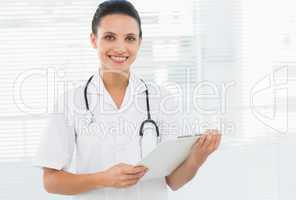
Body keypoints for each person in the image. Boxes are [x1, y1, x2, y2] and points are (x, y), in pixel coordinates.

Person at [33, 0, 221, 200]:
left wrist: (197, 157)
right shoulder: (70, 102)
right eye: (110, 37)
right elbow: (51, 181)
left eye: (130, 38)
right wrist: (103, 179)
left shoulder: (161, 99)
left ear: (139, 42)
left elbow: (173, 182)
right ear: (93, 40)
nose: (120, 47)